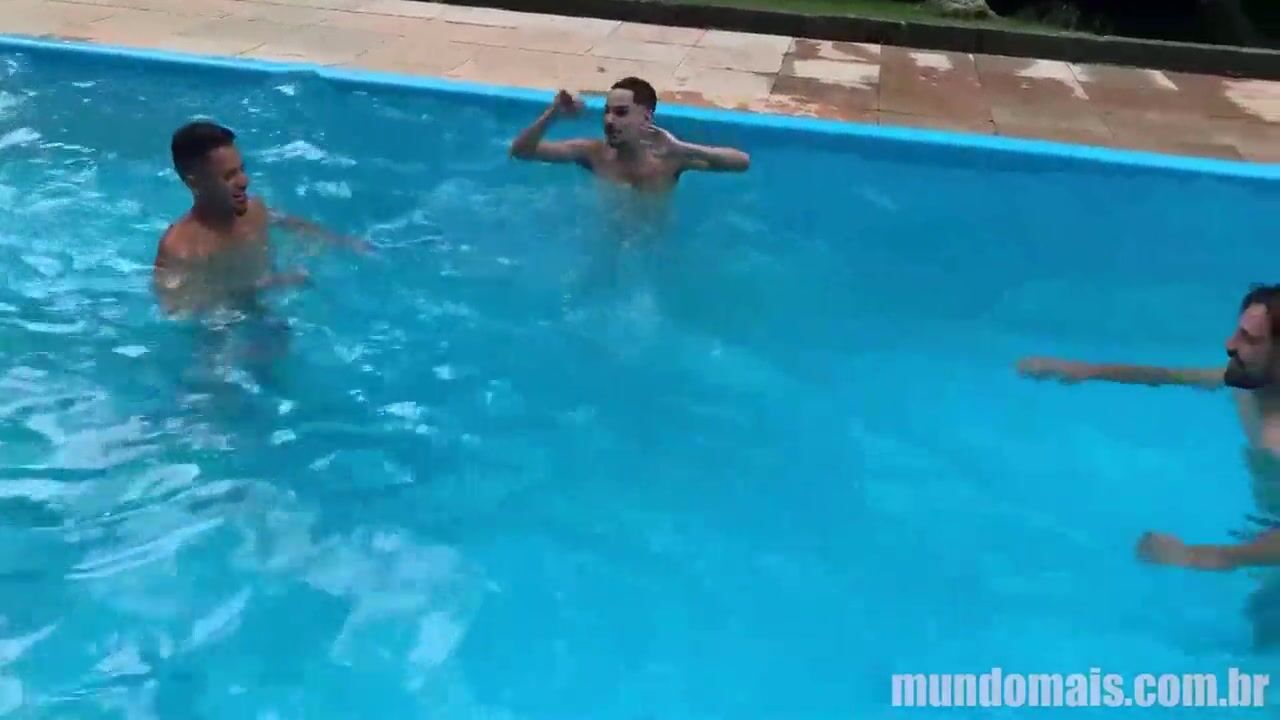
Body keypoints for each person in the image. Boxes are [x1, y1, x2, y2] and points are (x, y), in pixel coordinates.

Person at [1018, 284, 1280, 647]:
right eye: (1238, 331)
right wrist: (1087, 370)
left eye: (1250, 339)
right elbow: (1169, 376)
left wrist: (1204, 556)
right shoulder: (1246, 383)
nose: (1230, 344)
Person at [153, 120, 368, 317]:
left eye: (241, 170)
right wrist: (270, 284)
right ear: (194, 182)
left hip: (268, 309)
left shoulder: (255, 209)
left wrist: (344, 242)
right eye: (228, 176)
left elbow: (292, 223)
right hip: (221, 328)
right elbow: (175, 311)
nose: (244, 181)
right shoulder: (180, 249)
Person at [508, 77, 750, 191]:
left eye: (621, 112)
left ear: (646, 117)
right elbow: (521, 151)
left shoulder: (670, 158)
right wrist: (553, 114)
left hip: (654, 251)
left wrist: (684, 148)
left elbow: (741, 162)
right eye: (607, 112)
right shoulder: (593, 153)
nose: (609, 120)